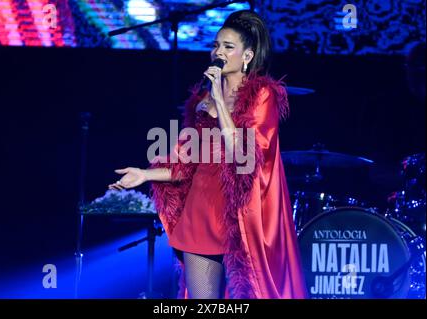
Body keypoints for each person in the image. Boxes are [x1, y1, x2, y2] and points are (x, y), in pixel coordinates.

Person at [109, 10, 307, 299]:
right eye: (216, 45)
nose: (219, 52)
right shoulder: (200, 102)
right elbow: (185, 163)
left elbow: (245, 153)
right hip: (201, 209)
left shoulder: (263, 95)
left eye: (228, 47)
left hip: (242, 214)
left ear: (248, 56)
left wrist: (219, 102)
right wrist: (143, 174)